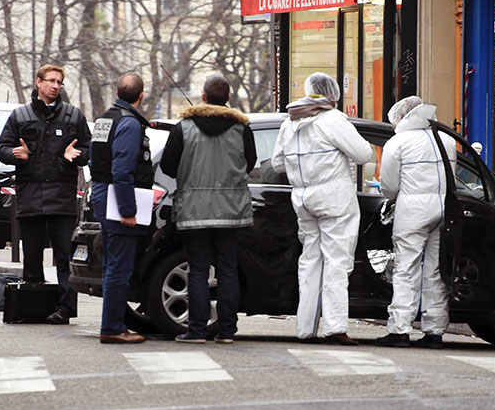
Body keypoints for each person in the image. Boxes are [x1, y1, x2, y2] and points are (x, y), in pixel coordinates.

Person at [271, 72, 375, 346]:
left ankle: (304, 327)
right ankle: (335, 326)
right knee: (337, 262)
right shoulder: (332, 119)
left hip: (303, 200)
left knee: (310, 261)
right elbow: (364, 154)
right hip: (334, 199)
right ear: (332, 96)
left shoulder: (290, 122)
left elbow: (277, 163)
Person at [160, 75, 256, 344]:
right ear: (228, 98)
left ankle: (197, 330)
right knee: (227, 270)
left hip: (194, 210)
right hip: (231, 210)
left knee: (199, 270)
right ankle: (227, 331)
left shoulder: (184, 128)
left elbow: (168, 165)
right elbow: (250, 162)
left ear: (203, 97)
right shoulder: (241, 129)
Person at [0, 64, 90, 325]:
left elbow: (88, 147)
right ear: (38, 83)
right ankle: (33, 305)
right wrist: (16, 154)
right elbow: (2, 148)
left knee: (64, 257)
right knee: (33, 256)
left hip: (62, 197)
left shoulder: (73, 116)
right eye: (50, 81)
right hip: (31, 196)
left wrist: (78, 155)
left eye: (59, 82)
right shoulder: (20, 115)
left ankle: (64, 309)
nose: (55, 86)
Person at [376, 96, 456, 349]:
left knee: (405, 268)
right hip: (443, 210)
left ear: (401, 116)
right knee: (435, 270)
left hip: (412, 211)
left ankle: (400, 328)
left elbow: (388, 186)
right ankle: (435, 331)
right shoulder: (446, 140)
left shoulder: (398, 142)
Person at [90, 72, 152, 344]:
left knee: (112, 265)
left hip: (103, 193)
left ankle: (112, 324)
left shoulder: (105, 119)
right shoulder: (129, 123)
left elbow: (95, 161)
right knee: (119, 267)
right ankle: (113, 327)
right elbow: (123, 170)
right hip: (118, 197)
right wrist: (128, 210)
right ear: (141, 95)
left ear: (117, 93)